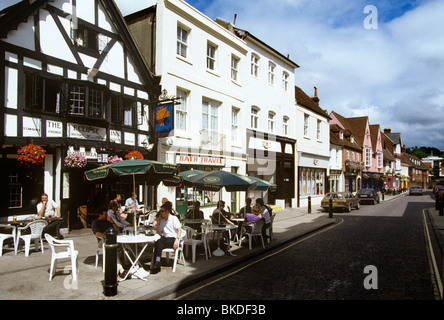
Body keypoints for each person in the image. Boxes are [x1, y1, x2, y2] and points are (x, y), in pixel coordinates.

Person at [152, 201, 182, 274]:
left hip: (173, 239)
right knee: (158, 243)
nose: (161, 213)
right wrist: (158, 223)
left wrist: (177, 240)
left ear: (167, 211)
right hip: (165, 239)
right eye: (160, 211)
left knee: (159, 243)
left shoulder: (174, 219)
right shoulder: (162, 221)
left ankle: (157, 262)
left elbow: (180, 230)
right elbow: (159, 233)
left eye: (162, 211)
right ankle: (157, 261)